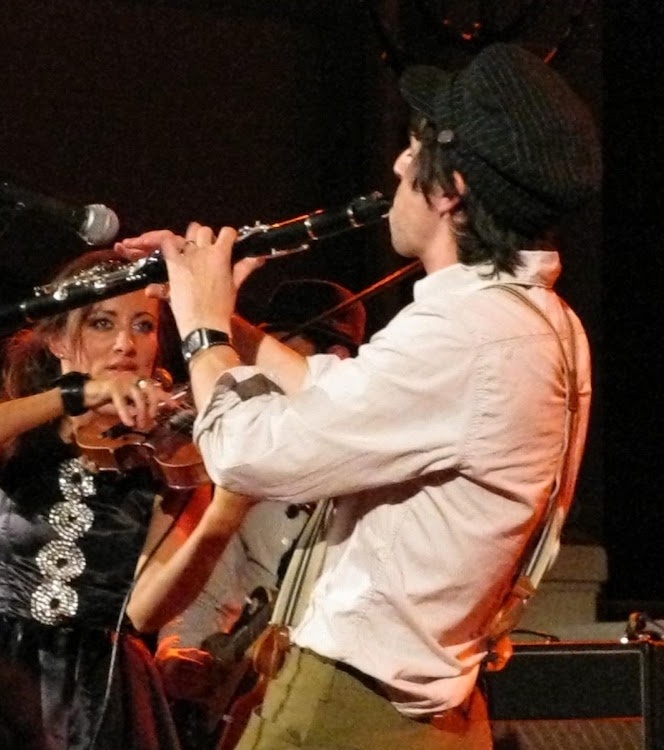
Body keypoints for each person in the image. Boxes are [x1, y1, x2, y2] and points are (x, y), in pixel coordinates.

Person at [118, 42, 601, 749]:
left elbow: (246, 455)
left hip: (349, 711)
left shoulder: (467, 335)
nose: (399, 166)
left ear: (450, 191)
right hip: (422, 713)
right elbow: (344, 397)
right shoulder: (538, 321)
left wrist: (202, 330)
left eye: (414, 151)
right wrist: (231, 321)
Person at [0, 249, 254, 750]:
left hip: (101, 688)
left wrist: (224, 513)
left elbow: (146, 612)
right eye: (101, 323)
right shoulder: (18, 437)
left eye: (143, 326)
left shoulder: (172, 456)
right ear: (55, 340)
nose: (125, 344)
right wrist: (71, 396)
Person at [153, 279, 367, 749]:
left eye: (280, 352)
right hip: (246, 707)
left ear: (335, 358)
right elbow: (211, 583)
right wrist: (179, 648)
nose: (254, 372)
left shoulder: (368, 469)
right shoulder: (251, 460)